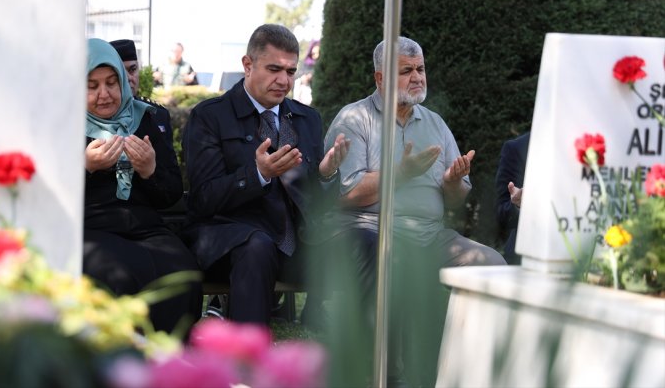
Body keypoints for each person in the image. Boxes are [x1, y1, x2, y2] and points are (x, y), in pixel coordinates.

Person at [320, 36, 506, 387]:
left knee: (493, 264)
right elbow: (348, 194)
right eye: (406, 71)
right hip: (372, 228)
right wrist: (400, 173)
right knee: (396, 264)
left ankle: (470, 369)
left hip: (432, 234)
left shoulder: (433, 122)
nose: (418, 77)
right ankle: (394, 375)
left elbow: (453, 201)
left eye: (420, 69)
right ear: (380, 79)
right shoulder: (355, 118)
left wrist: (453, 182)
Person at [181, 24, 349, 325]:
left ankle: (366, 358)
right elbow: (204, 198)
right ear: (247, 65)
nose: (283, 80)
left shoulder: (306, 118)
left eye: (290, 71)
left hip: (297, 243)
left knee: (366, 242)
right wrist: (257, 174)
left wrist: (326, 175)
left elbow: (315, 203)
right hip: (231, 241)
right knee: (257, 246)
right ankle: (249, 363)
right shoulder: (210, 117)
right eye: (274, 69)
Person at [82, 38, 202, 336]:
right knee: (117, 274)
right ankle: (121, 363)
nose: (105, 94)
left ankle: (170, 363)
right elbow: (51, 194)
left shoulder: (144, 119)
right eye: (92, 86)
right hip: (92, 227)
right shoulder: (65, 124)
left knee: (182, 271)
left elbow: (172, 192)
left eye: (112, 82)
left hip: (145, 226)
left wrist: (150, 171)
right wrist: (85, 166)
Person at [110, 39, 175, 153]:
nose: (129, 78)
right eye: (120, 72)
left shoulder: (157, 114)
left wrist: (149, 169)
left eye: (132, 69)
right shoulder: (94, 120)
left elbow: (170, 168)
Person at [495, 131, 529, 265]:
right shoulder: (517, 148)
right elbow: (501, 211)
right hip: (526, 257)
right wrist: (518, 205)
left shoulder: (594, 145)